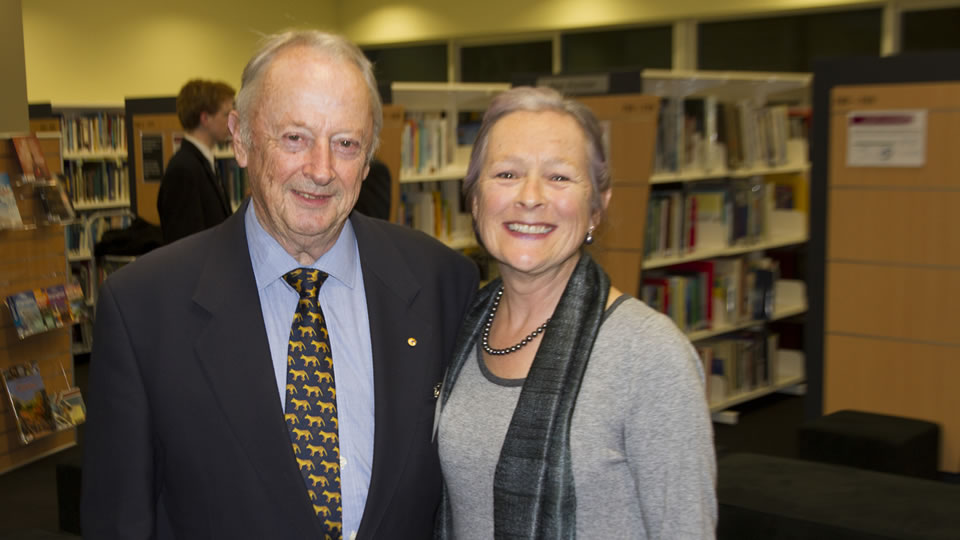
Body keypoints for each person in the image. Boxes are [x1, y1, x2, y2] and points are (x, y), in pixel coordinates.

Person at [82, 30, 479, 540]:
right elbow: (119, 522)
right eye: (295, 137)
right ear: (241, 139)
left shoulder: (442, 281)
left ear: (369, 156)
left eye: (346, 144)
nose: (321, 169)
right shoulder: (142, 309)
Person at [434, 87, 717, 539]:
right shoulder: (457, 328)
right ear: (473, 199)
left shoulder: (649, 354)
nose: (530, 197)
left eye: (560, 178)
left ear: (597, 208)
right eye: (506, 174)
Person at [157, 79, 235, 244]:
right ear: (205, 118)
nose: (232, 121)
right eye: (226, 114)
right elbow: (184, 244)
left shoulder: (204, 162)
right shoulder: (183, 170)